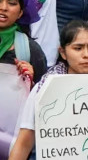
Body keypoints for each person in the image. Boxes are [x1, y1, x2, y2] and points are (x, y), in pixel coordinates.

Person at [9, 20, 88, 160]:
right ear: (63, 53)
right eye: (78, 48)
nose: (86, 54)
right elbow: (24, 143)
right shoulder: (44, 89)